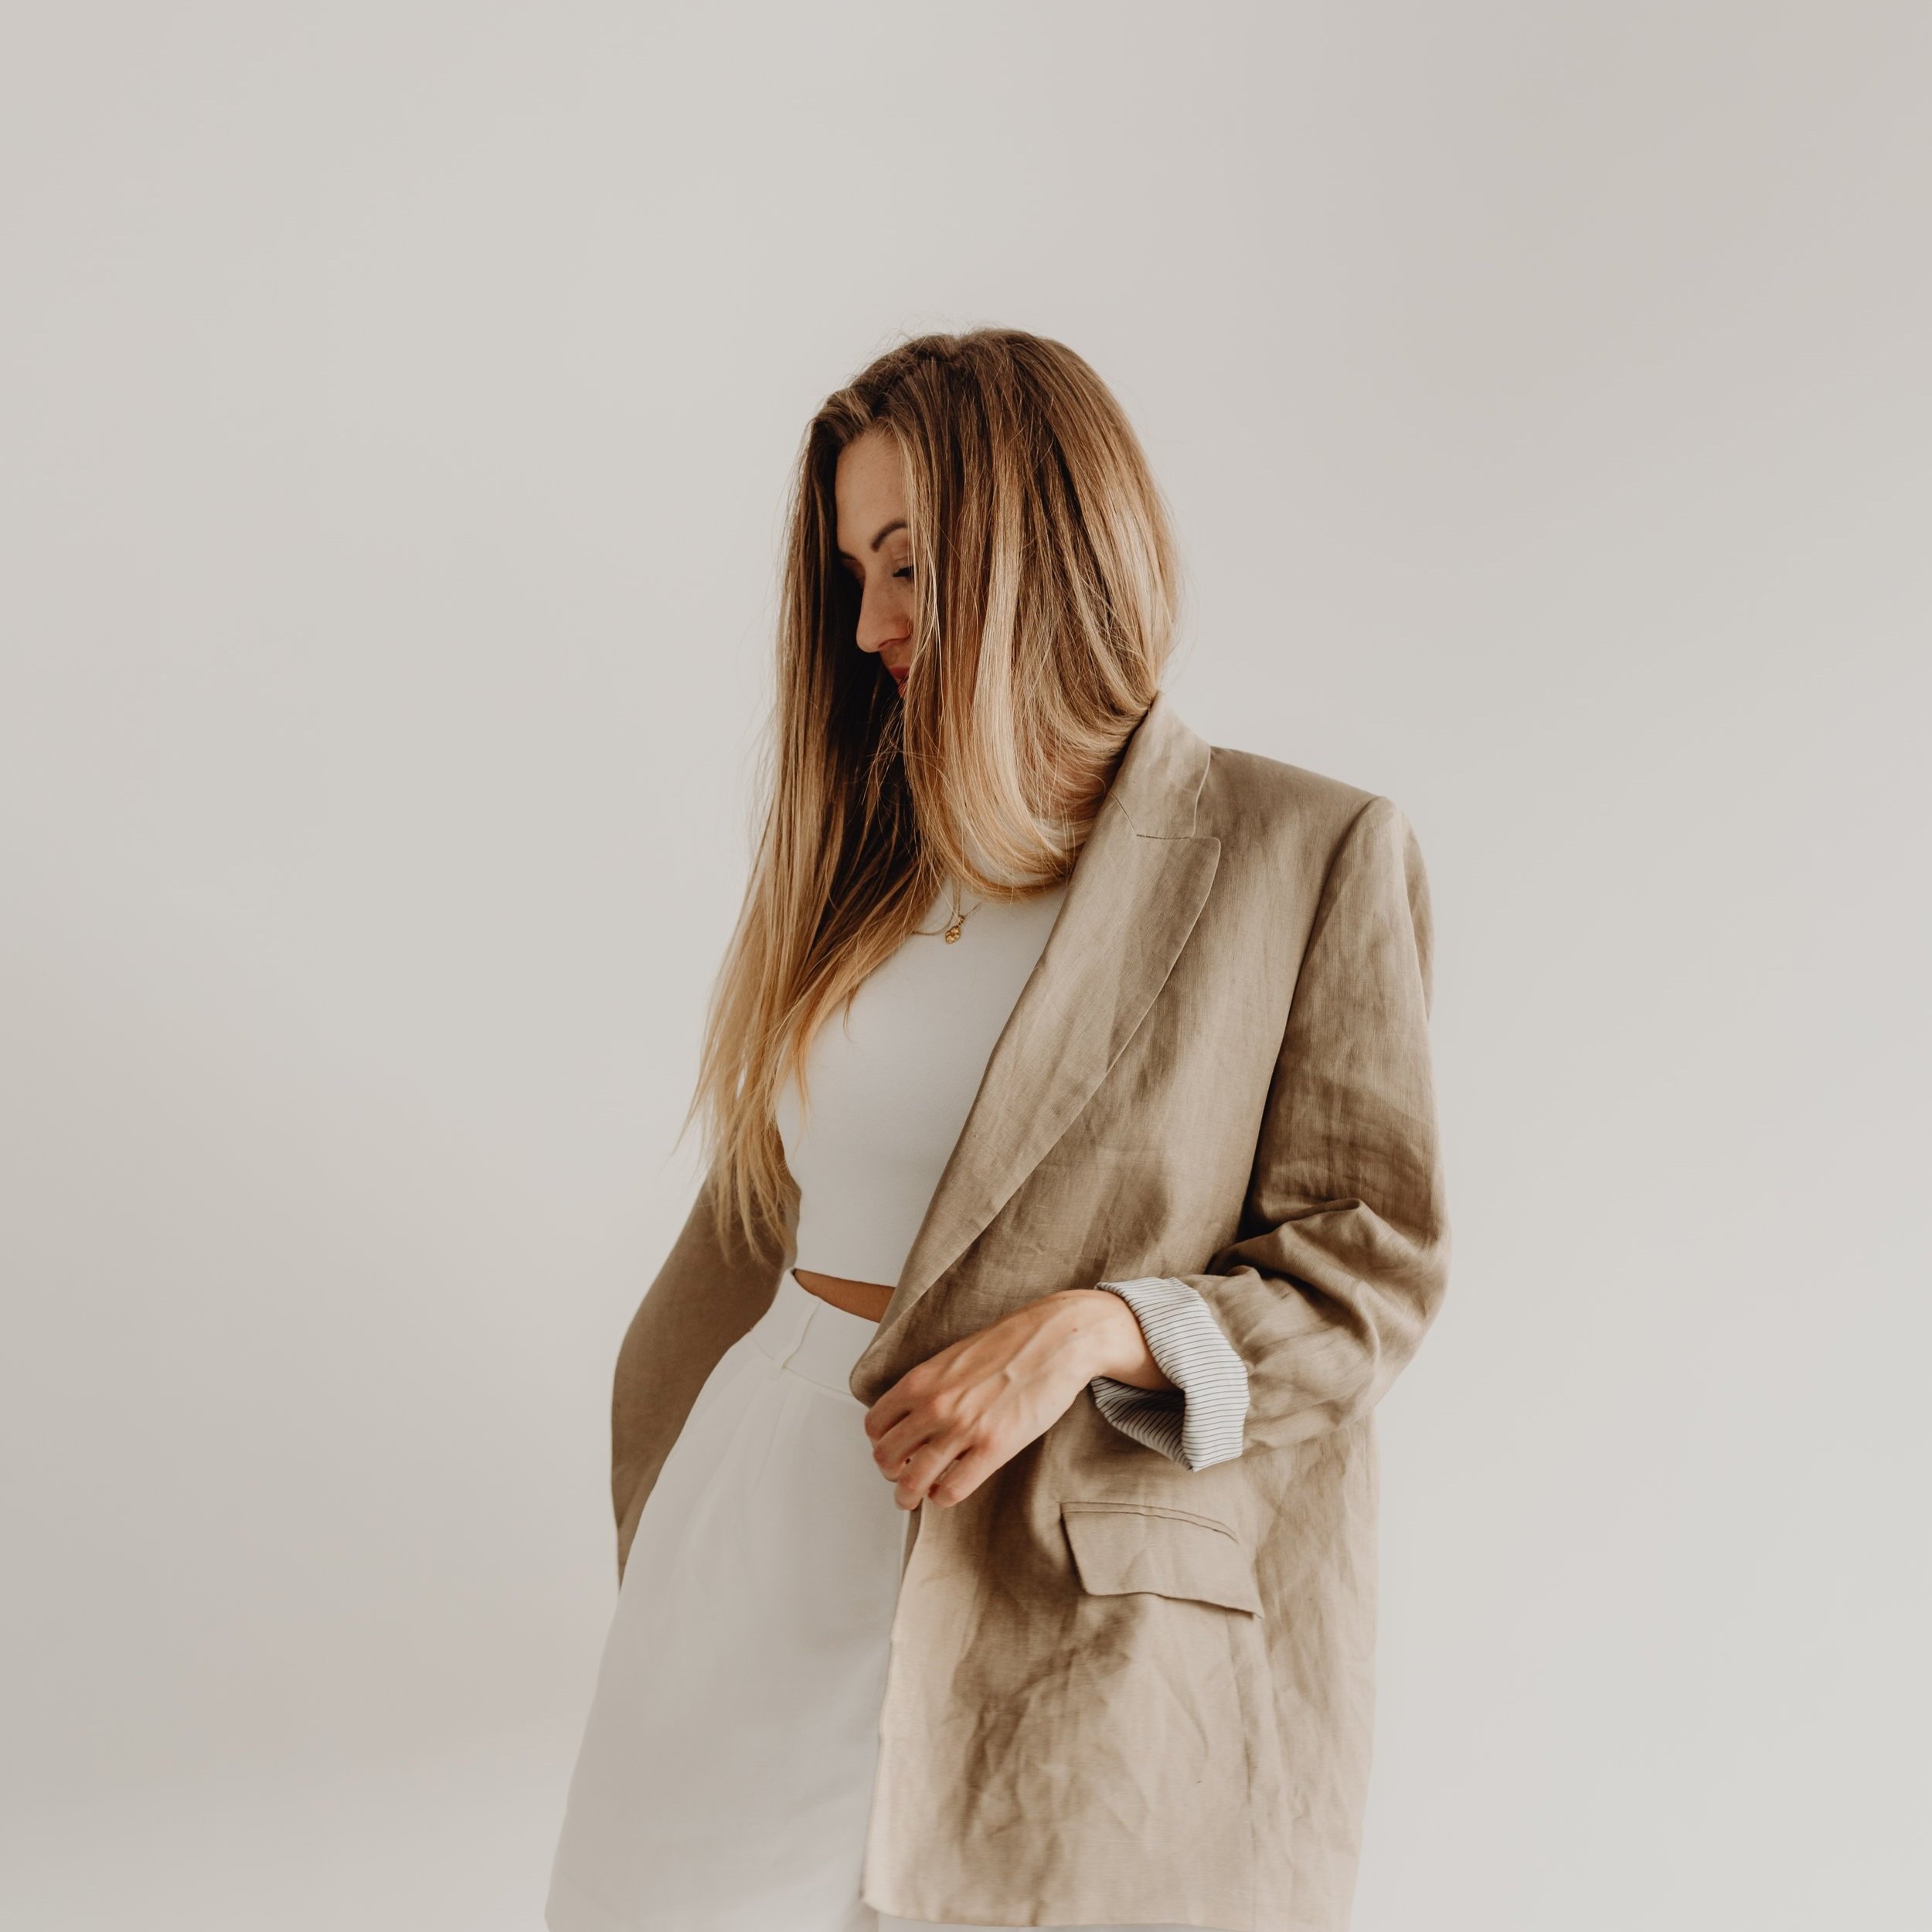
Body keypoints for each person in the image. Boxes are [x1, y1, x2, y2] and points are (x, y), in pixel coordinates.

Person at [545, 329, 1451, 1932]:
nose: (869, 626)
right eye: (852, 577)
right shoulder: (859, 860)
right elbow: (762, 1211)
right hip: (756, 1548)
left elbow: (1365, 1272)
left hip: (1054, 1600)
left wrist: (1096, 1329)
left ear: (1044, 546)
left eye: (906, 566)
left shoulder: (1299, 854)